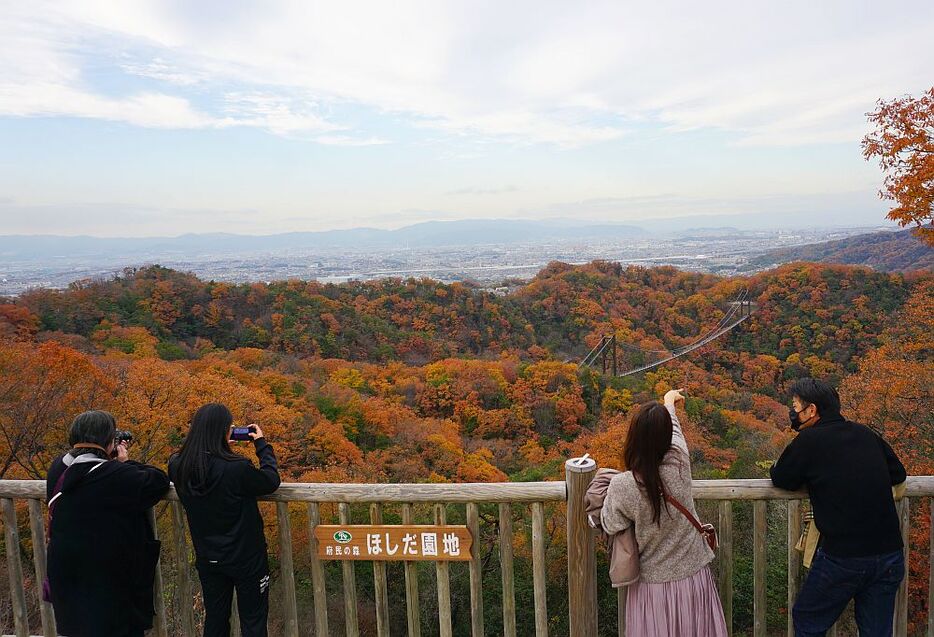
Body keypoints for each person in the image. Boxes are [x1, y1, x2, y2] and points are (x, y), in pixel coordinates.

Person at [771, 378, 906, 637]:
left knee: (808, 619)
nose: (793, 412)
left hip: (843, 557)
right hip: (889, 552)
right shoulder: (865, 433)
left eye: (796, 407)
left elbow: (783, 479)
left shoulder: (809, 441)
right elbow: (898, 475)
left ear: (812, 410)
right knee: (876, 630)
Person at [602, 389, 728, 636]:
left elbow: (610, 523)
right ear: (667, 439)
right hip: (694, 580)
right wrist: (669, 401)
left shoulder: (624, 485)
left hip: (653, 589)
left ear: (633, 438)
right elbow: (676, 432)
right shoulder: (681, 463)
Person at [46, 410, 170, 637]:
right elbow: (159, 480)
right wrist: (125, 461)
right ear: (108, 440)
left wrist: (110, 460)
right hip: (109, 582)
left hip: (67, 573)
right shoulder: (116, 474)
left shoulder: (58, 467)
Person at [168, 403, 281, 637]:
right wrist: (261, 445)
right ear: (222, 432)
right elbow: (271, 480)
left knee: (216, 620)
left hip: (208, 557)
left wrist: (217, 448)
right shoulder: (236, 468)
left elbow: (198, 463)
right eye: (229, 428)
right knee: (253, 620)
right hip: (246, 558)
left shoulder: (178, 466)